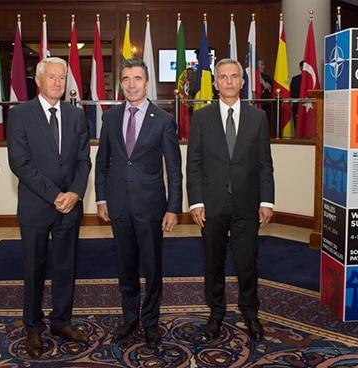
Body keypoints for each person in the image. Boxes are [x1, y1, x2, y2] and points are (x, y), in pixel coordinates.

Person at [7, 56, 92, 359]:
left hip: (70, 206)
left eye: (62, 78)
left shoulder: (76, 116)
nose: (57, 83)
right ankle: (32, 327)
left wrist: (76, 193)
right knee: (34, 268)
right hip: (36, 206)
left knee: (65, 267)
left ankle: (61, 322)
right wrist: (55, 194)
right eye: (52, 78)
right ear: (38, 81)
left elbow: (84, 160)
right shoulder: (20, 115)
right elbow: (20, 163)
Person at [95, 57, 183, 348]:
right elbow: (102, 162)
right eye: (126, 79)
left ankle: (150, 321)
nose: (131, 85)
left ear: (147, 83)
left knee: (152, 267)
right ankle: (130, 316)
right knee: (126, 266)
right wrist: (101, 198)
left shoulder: (164, 120)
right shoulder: (109, 118)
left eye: (137, 79)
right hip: (118, 205)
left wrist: (173, 207)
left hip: (151, 208)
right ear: (120, 84)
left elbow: (173, 168)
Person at [186, 58, 274, 342]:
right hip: (211, 204)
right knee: (213, 262)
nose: (228, 82)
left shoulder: (257, 117)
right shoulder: (201, 117)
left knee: (247, 262)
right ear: (215, 83)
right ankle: (216, 312)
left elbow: (264, 164)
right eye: (222, 77)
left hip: (248, 203)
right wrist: (196, 202)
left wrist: (267, 201)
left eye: (234, 76)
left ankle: (250, 313)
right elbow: (194, 164)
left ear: (242, 81)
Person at [289, 60, 304, 128]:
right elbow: (292, 93)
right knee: (297, 127)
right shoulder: (295, 79)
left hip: (310, 107)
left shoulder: (312, 79)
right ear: (301, 67)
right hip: (297, 107)